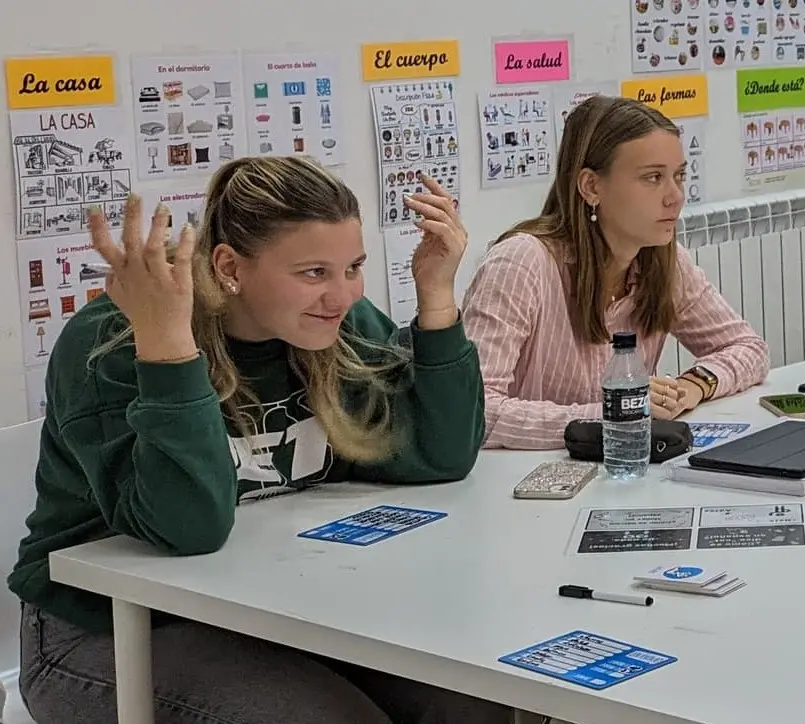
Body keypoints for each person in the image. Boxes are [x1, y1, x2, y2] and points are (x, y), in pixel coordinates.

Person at [10, 157, 506, 723]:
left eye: (354, 267)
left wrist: (437, 298)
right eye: (313, 272)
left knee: (481, 702)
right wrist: (170, 345)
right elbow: (187, 528)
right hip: (106, 628)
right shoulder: (118, 339)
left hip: (267, 608)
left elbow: (440, 455)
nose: (341, 296)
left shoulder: (337, 325)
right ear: (230, 267)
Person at [465, 95, 769, 449]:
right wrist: (616, 412)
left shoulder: (665, 261)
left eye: (679, 176)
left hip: (619, 472)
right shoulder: (520, 263)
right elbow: (476, 414)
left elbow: (749, 348)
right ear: (591, 187)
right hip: (515, 482)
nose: (676, 197)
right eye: (653, 177)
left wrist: (692, 385)